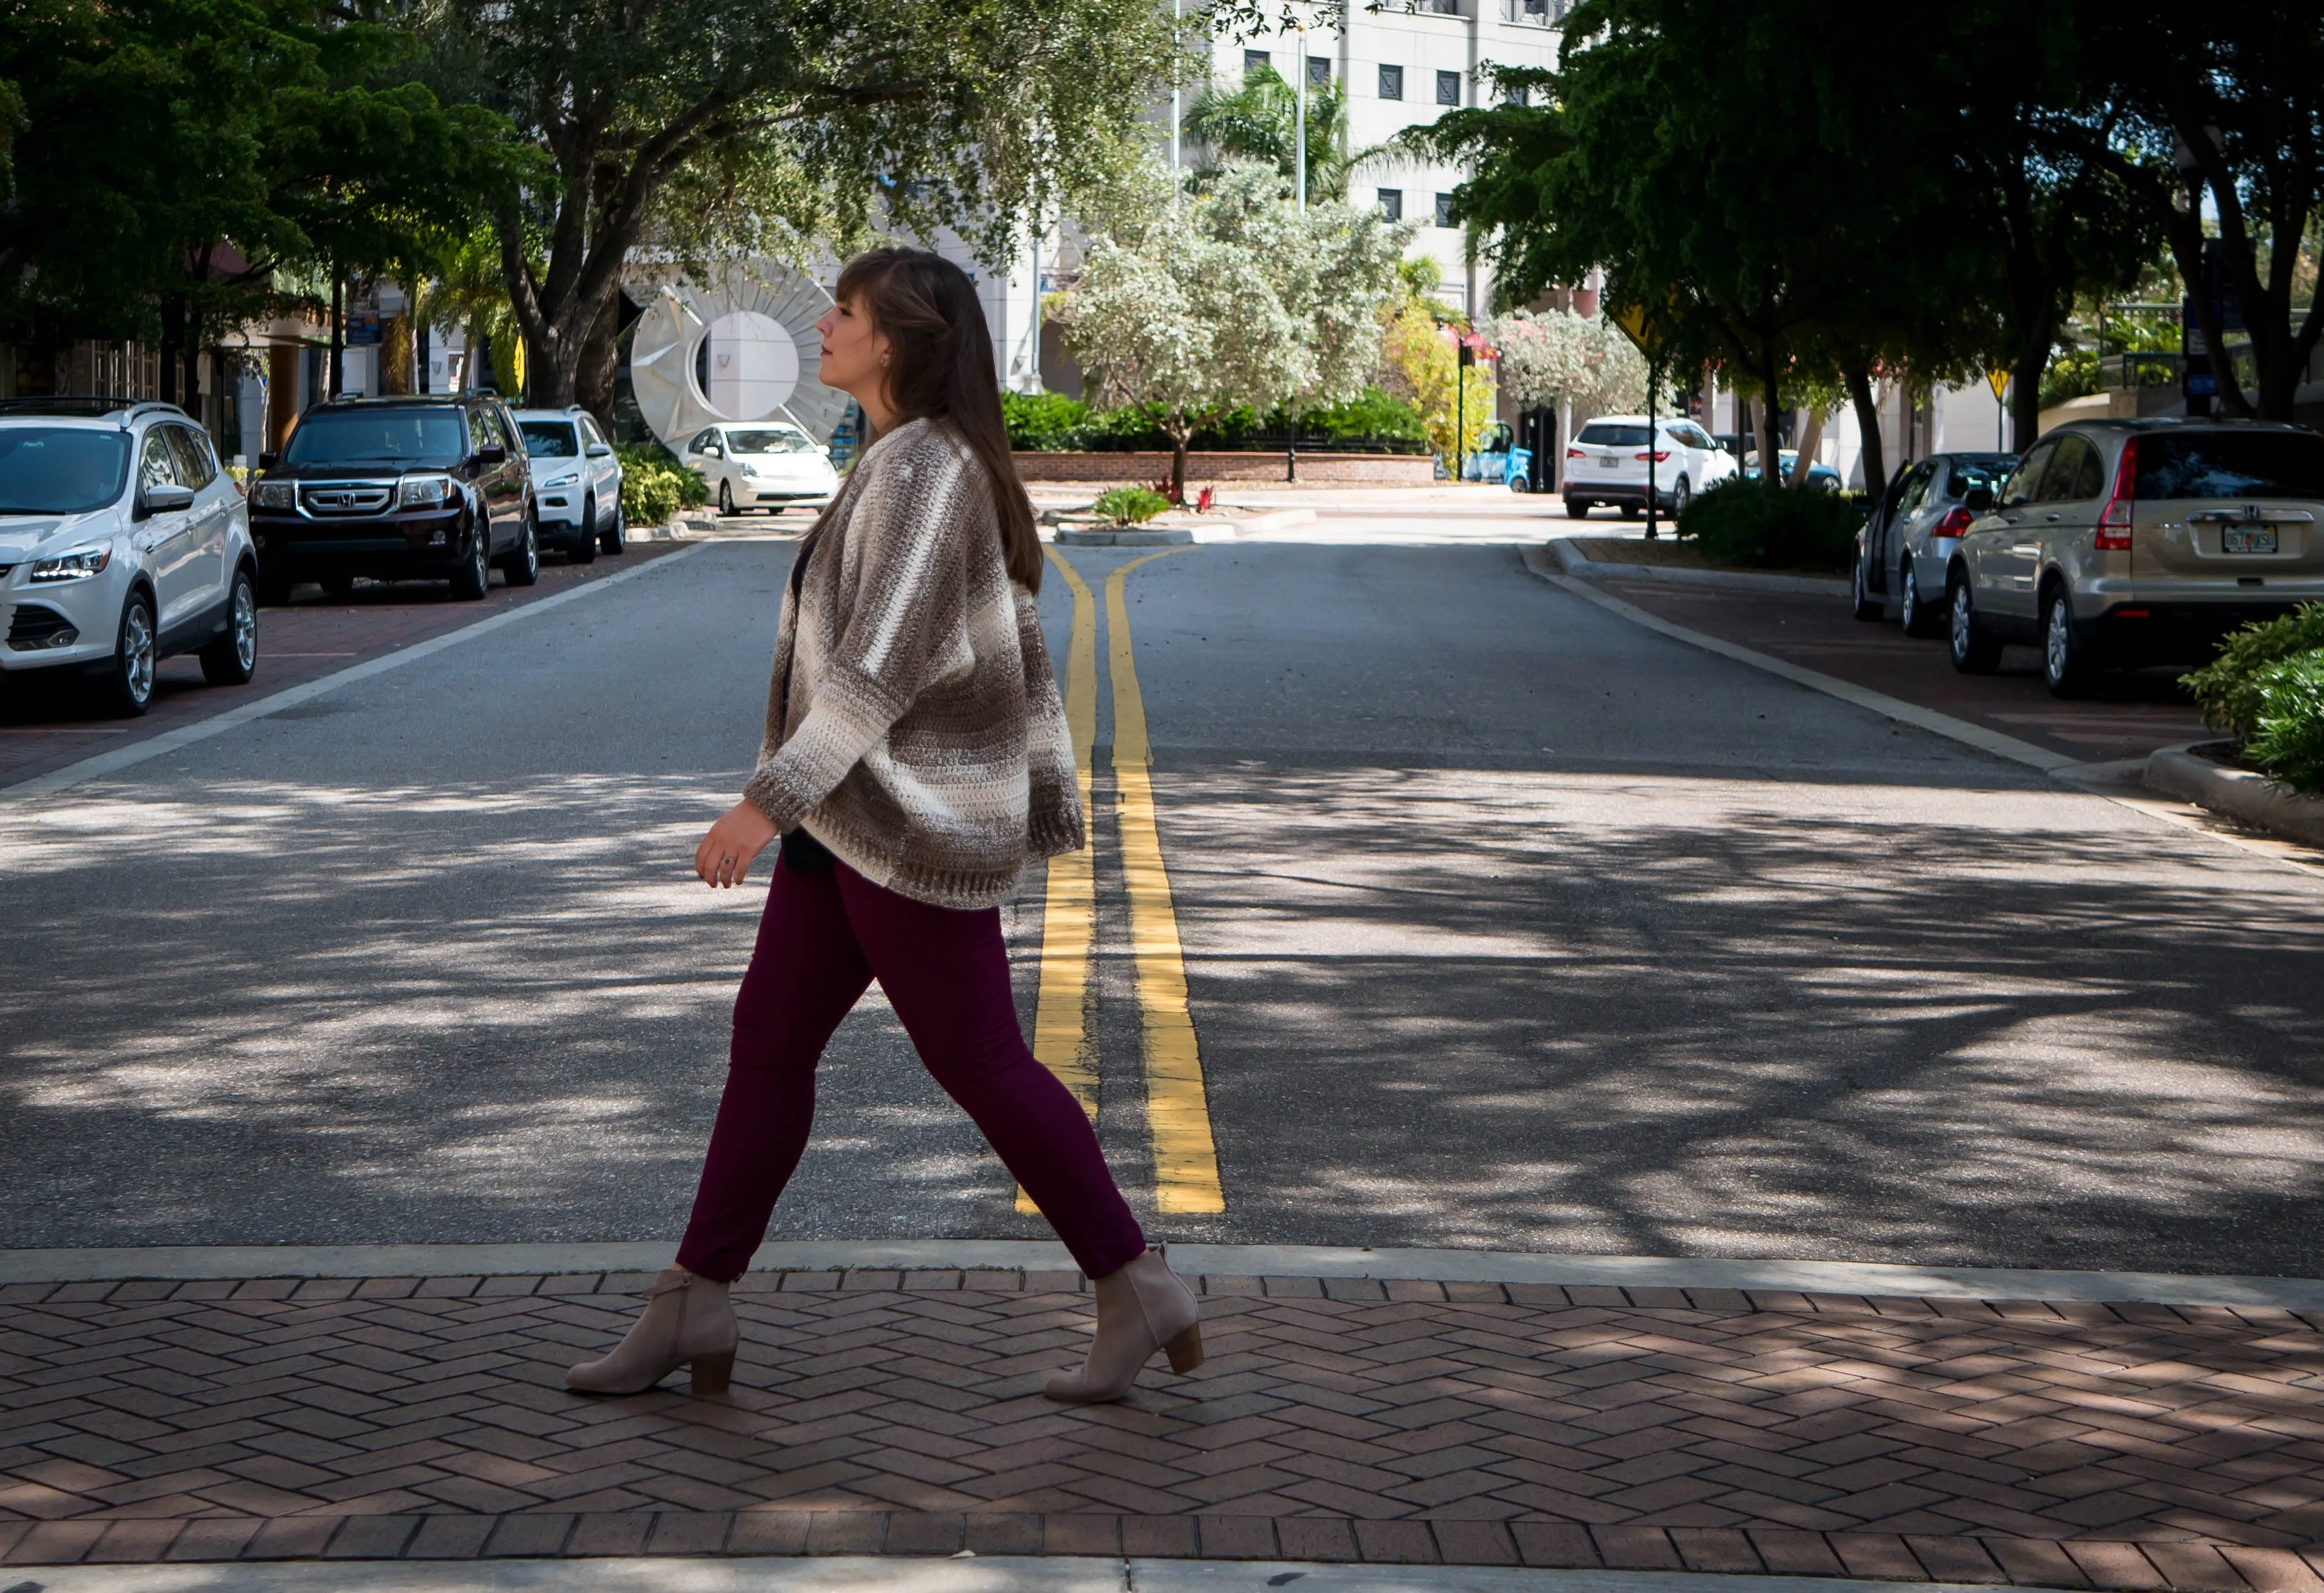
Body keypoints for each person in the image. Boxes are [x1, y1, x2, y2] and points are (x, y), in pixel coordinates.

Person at [565, 248, 1201, 1405]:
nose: (824, 323)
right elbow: (1014, 649)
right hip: (855, 817)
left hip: (903, 824)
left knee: (983, 1061)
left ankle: (1136, 1280)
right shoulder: (903, 459)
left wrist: (764, 804)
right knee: (769, 1046)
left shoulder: (927, 472)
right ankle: (694, 1299)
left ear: (897, 342)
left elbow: (876, 671)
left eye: (846, 312)